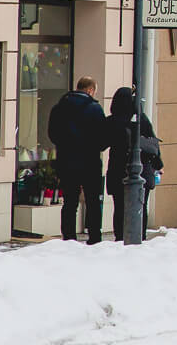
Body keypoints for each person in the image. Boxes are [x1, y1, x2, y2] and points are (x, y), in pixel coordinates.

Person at [48, 76, 106, 244]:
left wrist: (66, 146)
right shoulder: (94, 109)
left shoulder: (59, 107)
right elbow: (102, 138)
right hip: (90, 162)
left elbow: (52, 134)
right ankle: (94, 237)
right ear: (90, 90)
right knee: (93, 201)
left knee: (69, 202)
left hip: (66, 162)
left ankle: (69, 237)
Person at [102, 86, 161, 241]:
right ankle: (140, 237)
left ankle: (120, 238)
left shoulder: (112, 121)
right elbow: (153, 144)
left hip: (118, 170)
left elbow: (101, 144)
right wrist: (158, 165)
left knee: (119, 207)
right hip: (143, 170)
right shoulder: (142, 119)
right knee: (141, 206)